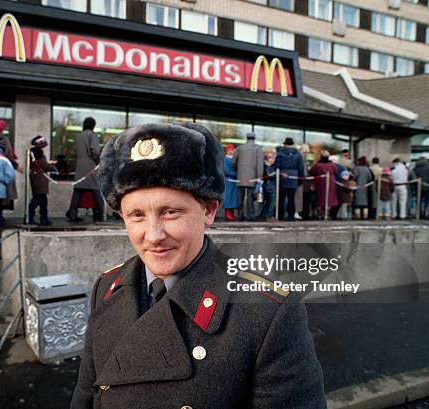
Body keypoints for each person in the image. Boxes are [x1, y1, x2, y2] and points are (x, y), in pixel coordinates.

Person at [70, 122, 326, 409]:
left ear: (209, 210)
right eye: (137, 215)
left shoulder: (268, 314)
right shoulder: (106, 287)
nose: (153, 235)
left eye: (170, 212)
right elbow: (86, 396)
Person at [67, 117, 104, 223]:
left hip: (79, 166)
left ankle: (72, 214)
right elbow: (95, 150)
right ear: (93, 126)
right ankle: (99, 215)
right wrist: (99, 161)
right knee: (96, 190)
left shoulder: (78, 136)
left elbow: (74, 151)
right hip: (90, 166)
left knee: (77, 191)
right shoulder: (92, 135)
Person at [232, 132, 263, 221]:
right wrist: (259, 176)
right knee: (250, 197)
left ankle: (240, 215)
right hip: (252, 177)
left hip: (240, 176)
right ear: (254, 138)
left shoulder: (239, 148)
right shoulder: (258, 148)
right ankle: (250, 216)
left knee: (240, 197)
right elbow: (259, 164)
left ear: (247, 138)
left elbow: (233, 162)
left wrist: (237, 170)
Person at [28, 135, 57, 226]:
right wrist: (52, 165)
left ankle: (43, 218)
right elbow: (44, 166)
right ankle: (32, 217)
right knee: (38, 199)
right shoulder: (38, 153)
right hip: (40, 178)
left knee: (43, 200)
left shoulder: (33, 153)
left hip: (37, 177)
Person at [275, 137, 305, 221]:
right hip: (294, 177)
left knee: (281, 198)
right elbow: (301, 168)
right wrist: (300, 179)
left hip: (283, 176)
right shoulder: (298, 154)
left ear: (285, 144)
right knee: (291, 198)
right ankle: (291, 216)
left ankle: (281, 216)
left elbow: (277, 166)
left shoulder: (280, 153)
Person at [310, 151, 338, 220]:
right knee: (329, 199)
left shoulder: (317, 165)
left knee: (319, 199)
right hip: (330, 182)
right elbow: (336, 171)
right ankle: (327, 215)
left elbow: (312, 172)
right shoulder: (332, 164)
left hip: (320, 182)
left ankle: (319, 215)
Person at [222, 144, 238, 221]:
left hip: (235, 181)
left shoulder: (235, 159)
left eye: (232, 149)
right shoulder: (225, 159)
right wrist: (235, 174)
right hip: (229, 181)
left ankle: (231, 212)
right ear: (227, 151)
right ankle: (227, 212)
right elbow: (226, 170)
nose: (231, 151)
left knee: (233, 198)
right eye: (230, 150)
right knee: (228, 197)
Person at [260, 151, 277, 221]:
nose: (274, 159)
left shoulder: (266, 166)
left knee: (267, 201)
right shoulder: (268, 167)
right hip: (270, 186)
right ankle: (269, 215)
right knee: (271, 201)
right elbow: (270, 176)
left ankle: (264, 214)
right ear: (268, 159)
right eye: (272, 158)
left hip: (267, 185)